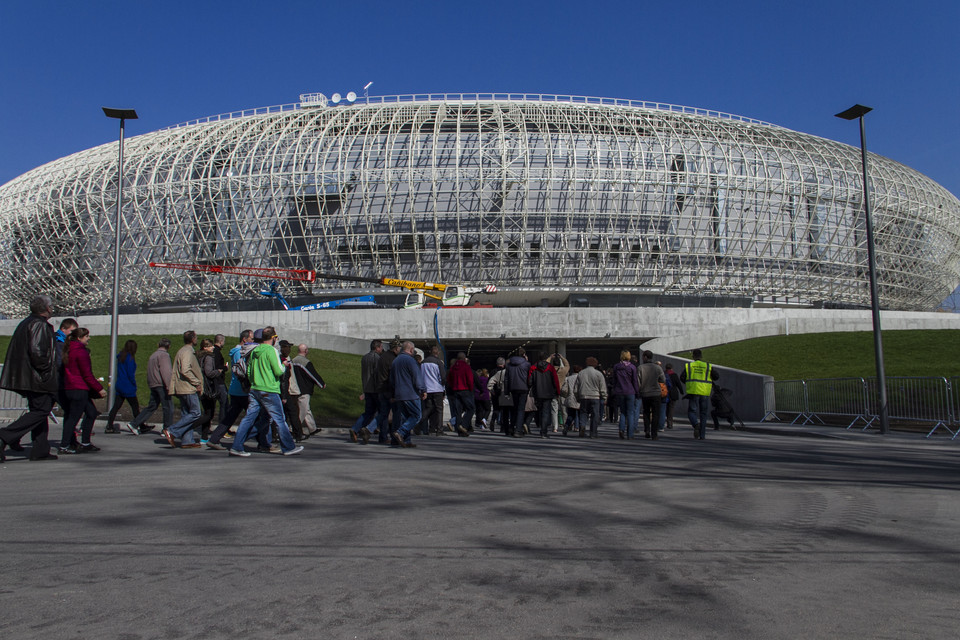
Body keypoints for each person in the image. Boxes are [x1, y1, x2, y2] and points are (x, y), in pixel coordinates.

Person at [0, 294, 59, 462]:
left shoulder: (26, 323)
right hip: (38, 379)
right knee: (41, 411)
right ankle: (5, 435)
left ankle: (40, 449)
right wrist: (47, 371)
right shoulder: (38, 325)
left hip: (30, 377)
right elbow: (37, 352)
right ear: (47, 309)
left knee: (38, 412)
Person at [228, 327, 303, 457]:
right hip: (269, 389)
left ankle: (237, 446)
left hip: (255, 389)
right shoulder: (271, 350)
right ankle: (288, 447)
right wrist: (284, 366)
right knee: (280, 419)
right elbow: (278, 371)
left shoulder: (255, 350)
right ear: (273, 338)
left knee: (251, 418)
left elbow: (249, 371)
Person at [206, 329, 271, 451]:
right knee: (256, 417)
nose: (253, 341)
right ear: (244, 339)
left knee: (231, 416)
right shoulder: (239, 352)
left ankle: (214, 439)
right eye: (251, 338)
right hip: (242, 390)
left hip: (237, 389)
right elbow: (241, 370)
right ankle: (263, 443)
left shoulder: (238, 351)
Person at [58, 327, 107, 453]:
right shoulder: (81, 352)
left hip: (70, 387)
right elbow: (87, 374)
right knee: (73, 418)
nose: (89, 338)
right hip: (78, 388)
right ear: (79, 338)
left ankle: (85, 442)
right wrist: (99, 388)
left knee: (91, 412)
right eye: (86, 336)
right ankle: (64, 446)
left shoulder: (68, 350)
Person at [164, 331, 204, 448]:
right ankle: (172, 431)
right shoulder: (187, 352)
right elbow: (185, 370)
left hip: (182, 387)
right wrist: (196, 382)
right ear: (192, 339)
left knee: (186, 413)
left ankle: (187, 440)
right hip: (187, 387)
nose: (197, 339)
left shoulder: (183, 350)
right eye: (196, 337)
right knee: (196, 413)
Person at [125, 338, 173, 435]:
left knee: (152, 406)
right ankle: (167, 429)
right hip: (161, 384)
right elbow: (166, 372)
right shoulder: (164, 355)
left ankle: (134, 423)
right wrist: (169, 385)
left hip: (153, 384)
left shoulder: (153, 355)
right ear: (169, 346)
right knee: (168, 407)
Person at [389, 341, 426, 448]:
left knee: (405, 417)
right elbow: (417, 377)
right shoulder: (411, 361)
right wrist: (423, 390)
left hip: (399, 394)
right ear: (411, 350)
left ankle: (406, 440)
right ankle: (401, 432)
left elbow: (392, 380)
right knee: (416, 416)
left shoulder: (395, 361)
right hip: (410, 393)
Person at [680, 348, 720, 440]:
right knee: (703, 413)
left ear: (693, 356)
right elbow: (716, 376)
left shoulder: (689, 366)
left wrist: (689, 383)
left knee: (691, 412)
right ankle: (702, 435)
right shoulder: (707, 366)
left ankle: (696, 424)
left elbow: (682, 377)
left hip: (693, 391)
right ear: (701, 356)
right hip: (704, 392)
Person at [350, 339, 383, 444]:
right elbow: (377, 375)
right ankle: (370, 428)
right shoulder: (377, 358)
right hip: (375, 389)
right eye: (381, 347)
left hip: (367, 388)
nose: (382, 349)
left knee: (368, 411)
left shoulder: (364, 358)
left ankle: (355, 428)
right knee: (382, 411)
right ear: (377, 347)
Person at [105, 340, 140, 433]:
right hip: (128, 386)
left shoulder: (121, 357)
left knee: (116, 406)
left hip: (120, 384)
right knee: (135, 406)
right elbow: (130, 374)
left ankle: (109, 425)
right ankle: (139, 423)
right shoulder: (130, 359)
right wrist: (134, 384)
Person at [292, 344, 325, 438]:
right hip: (304, 389)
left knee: (306, 409)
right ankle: (294, 429)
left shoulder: (293, 361)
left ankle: (312, 428)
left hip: (295, 388)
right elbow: (312, 374)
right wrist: (321, 384)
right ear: (306, 351)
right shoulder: (305, 362)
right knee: (303, 410)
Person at [527, 351, 561, 438]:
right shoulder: (550, 367)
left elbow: (529, 381)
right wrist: (557, 392)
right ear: (546, 358)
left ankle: (540, 426)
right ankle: (543, 431)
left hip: (537, 392)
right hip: (548, 392)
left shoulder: (533, 367)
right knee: (546, 412)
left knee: (539, 410)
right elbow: (555, 381)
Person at [194, 338, 221, 442]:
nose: (213, 347)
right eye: (210, 346)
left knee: (207, 411)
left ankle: (204, 436)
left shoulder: (198, 356)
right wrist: (218, 371)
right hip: (208, 386)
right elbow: (209, 372)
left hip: (201, 385)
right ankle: (188, 427)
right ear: (205, 347)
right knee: (209, 413)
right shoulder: (209, 357)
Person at [417, 345, 446, 436]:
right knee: (439, 410)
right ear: (437, 353)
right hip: (437, 389)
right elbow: (443, 377)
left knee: (428, 408)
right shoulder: (438, 362)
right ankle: (439, 430)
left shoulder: (423, 363)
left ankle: (420, 423)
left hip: (427, 389)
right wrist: (443, 387)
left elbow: (420, 376)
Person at [574, 357, 606, 438]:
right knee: (595, 415)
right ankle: (593, 433)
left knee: (583, 413)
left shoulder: (581, 373)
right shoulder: (598, 374)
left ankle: (582, 426)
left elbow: (576, 388)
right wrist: (604, 397)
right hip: (595, 396)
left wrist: (577, 397)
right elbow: (602, 387)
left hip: (584, 396)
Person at [637, 350, 665, 440]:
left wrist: (639, 390)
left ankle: (647, 430)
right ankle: (654, 433)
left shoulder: (640, 368)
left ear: (645, 357)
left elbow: (638, 381)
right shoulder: (657, 367)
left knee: (646, 412)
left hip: (645, 393)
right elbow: (663, 379)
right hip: (656, 392)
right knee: (656, 413)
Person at [611, 351, 639, 439]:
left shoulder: (616, 367)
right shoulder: (632, 367)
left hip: (620, 391)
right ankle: (630, 434)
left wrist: (615, 389)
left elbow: (614, 380)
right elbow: (634, 381)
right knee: (630, 413)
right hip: (630, 391)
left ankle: (621, 429)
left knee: (622, 412)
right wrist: (637, 392)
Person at [505, 348, 531, 437]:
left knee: (514, 409)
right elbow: (529, 377)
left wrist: (506, 391)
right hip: (523, 388)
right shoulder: (527, 364)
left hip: (513, 388)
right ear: (524, 355)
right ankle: (518, 430)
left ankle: (511, 427)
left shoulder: (509, 365)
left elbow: (506, 379)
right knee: (520, 409)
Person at [446, 352, 474, 437]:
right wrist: (470, 388)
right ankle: (464, 425)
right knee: (471, 409)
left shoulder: (453, 368)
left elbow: (449, 379)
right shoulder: (466, 367)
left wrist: (453, 386)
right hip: (465, 390)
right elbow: (470, 379)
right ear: (464, 358)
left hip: (456, 391)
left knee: (458, 411)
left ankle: (459, 431)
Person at [561, 364, 581, 435]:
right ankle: (579, 428)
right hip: (579, 398)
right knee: (580, 414)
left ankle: (566, 426)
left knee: (570, 415)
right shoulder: (580, 378)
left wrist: (565, 395)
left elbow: (564, 389)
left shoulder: (568, 378)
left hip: (570, 398)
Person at [663, 363, 683, 430]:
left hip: (665, 393)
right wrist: (681, 391)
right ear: (671, 368)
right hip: (673, 393)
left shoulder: (663, 374)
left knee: (666, 407)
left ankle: (665, 420)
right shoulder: (674, 375)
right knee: (671, 408)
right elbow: (678, 384)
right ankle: (670, 422)